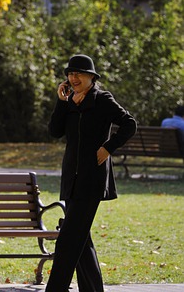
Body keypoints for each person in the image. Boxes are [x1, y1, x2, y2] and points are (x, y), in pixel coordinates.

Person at [45, 53, 137, 292]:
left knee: (68, 238)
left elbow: (129, 123)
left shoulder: (102, 100)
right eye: (70, 74)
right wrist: (60, 102)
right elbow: (55, 131)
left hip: (92, 179)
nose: (74, 78)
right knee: (81, 239)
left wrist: (108, 147)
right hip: (71, 180)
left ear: (91, 77)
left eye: (79, 74)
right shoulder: (69, 102)